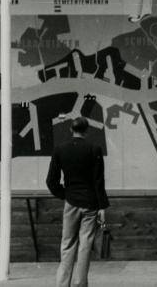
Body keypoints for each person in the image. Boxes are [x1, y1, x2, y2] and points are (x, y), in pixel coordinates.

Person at [46, 116, 109, 287]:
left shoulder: (60, 149)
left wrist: (66, 195)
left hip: (71, 202)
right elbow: (98, 181)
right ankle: (79, 284)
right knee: (85, 245)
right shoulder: (94, 149)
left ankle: (62, 283)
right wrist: (102, 206)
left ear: (70, 130)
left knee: (67, 244)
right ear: (87, 130)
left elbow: (51, 181)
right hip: (90, 203)